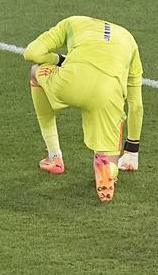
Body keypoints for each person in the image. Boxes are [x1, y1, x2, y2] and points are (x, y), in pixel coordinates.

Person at [23, 15, 144, 202]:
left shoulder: (72, 23)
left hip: (69, 82)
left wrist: (59, 59)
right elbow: (136, 104)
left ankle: (54, 156)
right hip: (107, 95)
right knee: (107, 157)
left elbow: (31, 53)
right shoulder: (128, 39)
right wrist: (132, 150)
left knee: (35, 72)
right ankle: (108, 169)